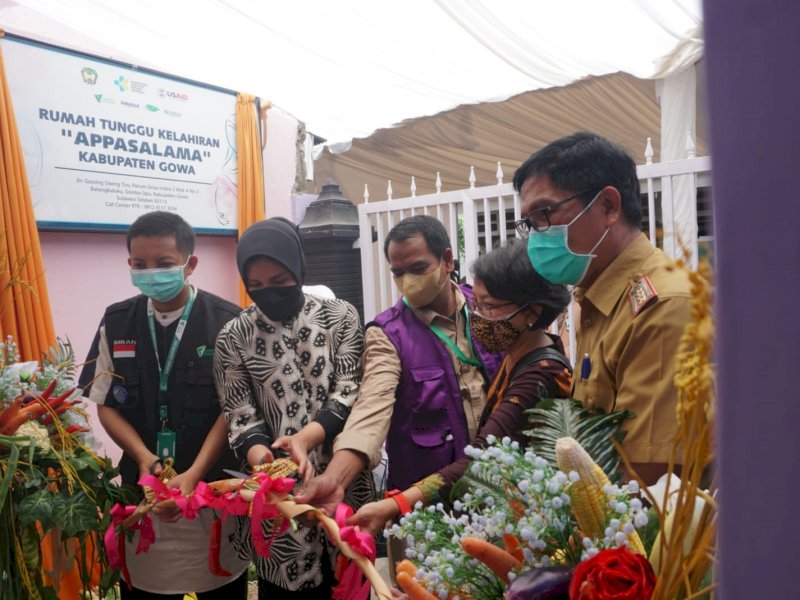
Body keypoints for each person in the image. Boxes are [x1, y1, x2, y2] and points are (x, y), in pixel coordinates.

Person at [345, 239, 573, 533]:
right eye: (476, 304)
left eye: (488, 307)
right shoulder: (515, 354)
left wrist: (396, 504)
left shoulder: (538, 376)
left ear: (531, 312)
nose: (477, 316)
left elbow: (482, 459)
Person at [82, 211, 248, 599]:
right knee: (144, 586)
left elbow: (233, 409)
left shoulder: (227, 321)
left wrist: (194, 474)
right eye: (140, 265)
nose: (151, 273)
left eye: (164, 263)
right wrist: (142, 457)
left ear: (190, 264)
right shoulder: (116, 320)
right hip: (143, 495)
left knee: (219, 582)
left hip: (211, 491)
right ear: (129, 265)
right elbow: (105, 401)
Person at [513, 131, 692, 485]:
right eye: (530, 223)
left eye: (544, 214)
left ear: (608, 206)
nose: (537, 234)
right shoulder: (597, 299)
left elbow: (648, 480)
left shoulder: (662, 308)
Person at [213, 217, 375, 599]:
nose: (269, 293)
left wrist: (305, 437)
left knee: (351, 578)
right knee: (287, 589)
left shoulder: (339, 317)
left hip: (344, 481)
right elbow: (240, 415)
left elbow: (348, 389)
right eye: (257, 286)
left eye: (280, 281)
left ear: (298, 269)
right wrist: (266, 463)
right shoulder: (233, 337)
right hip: (277, 499)